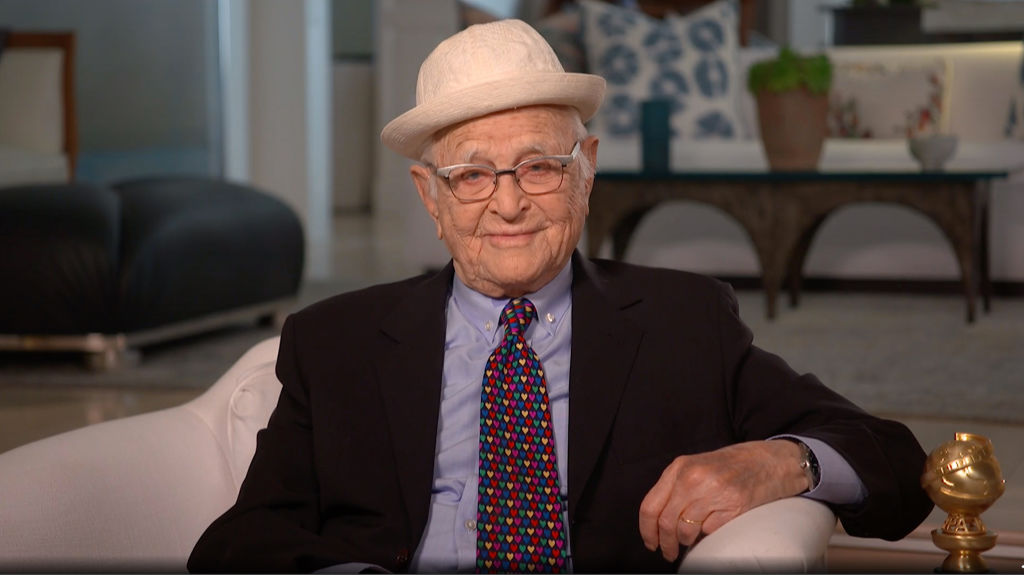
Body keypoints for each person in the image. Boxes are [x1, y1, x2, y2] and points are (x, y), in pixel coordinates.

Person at [188, 19, 932, 574]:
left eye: (539, 166)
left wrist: (781, 462)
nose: (508, 204)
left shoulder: (684, 322)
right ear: (430, 196)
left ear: (587, 170)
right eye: (473, 175)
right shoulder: (333, 342)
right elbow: (241, 541)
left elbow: (897, 464)